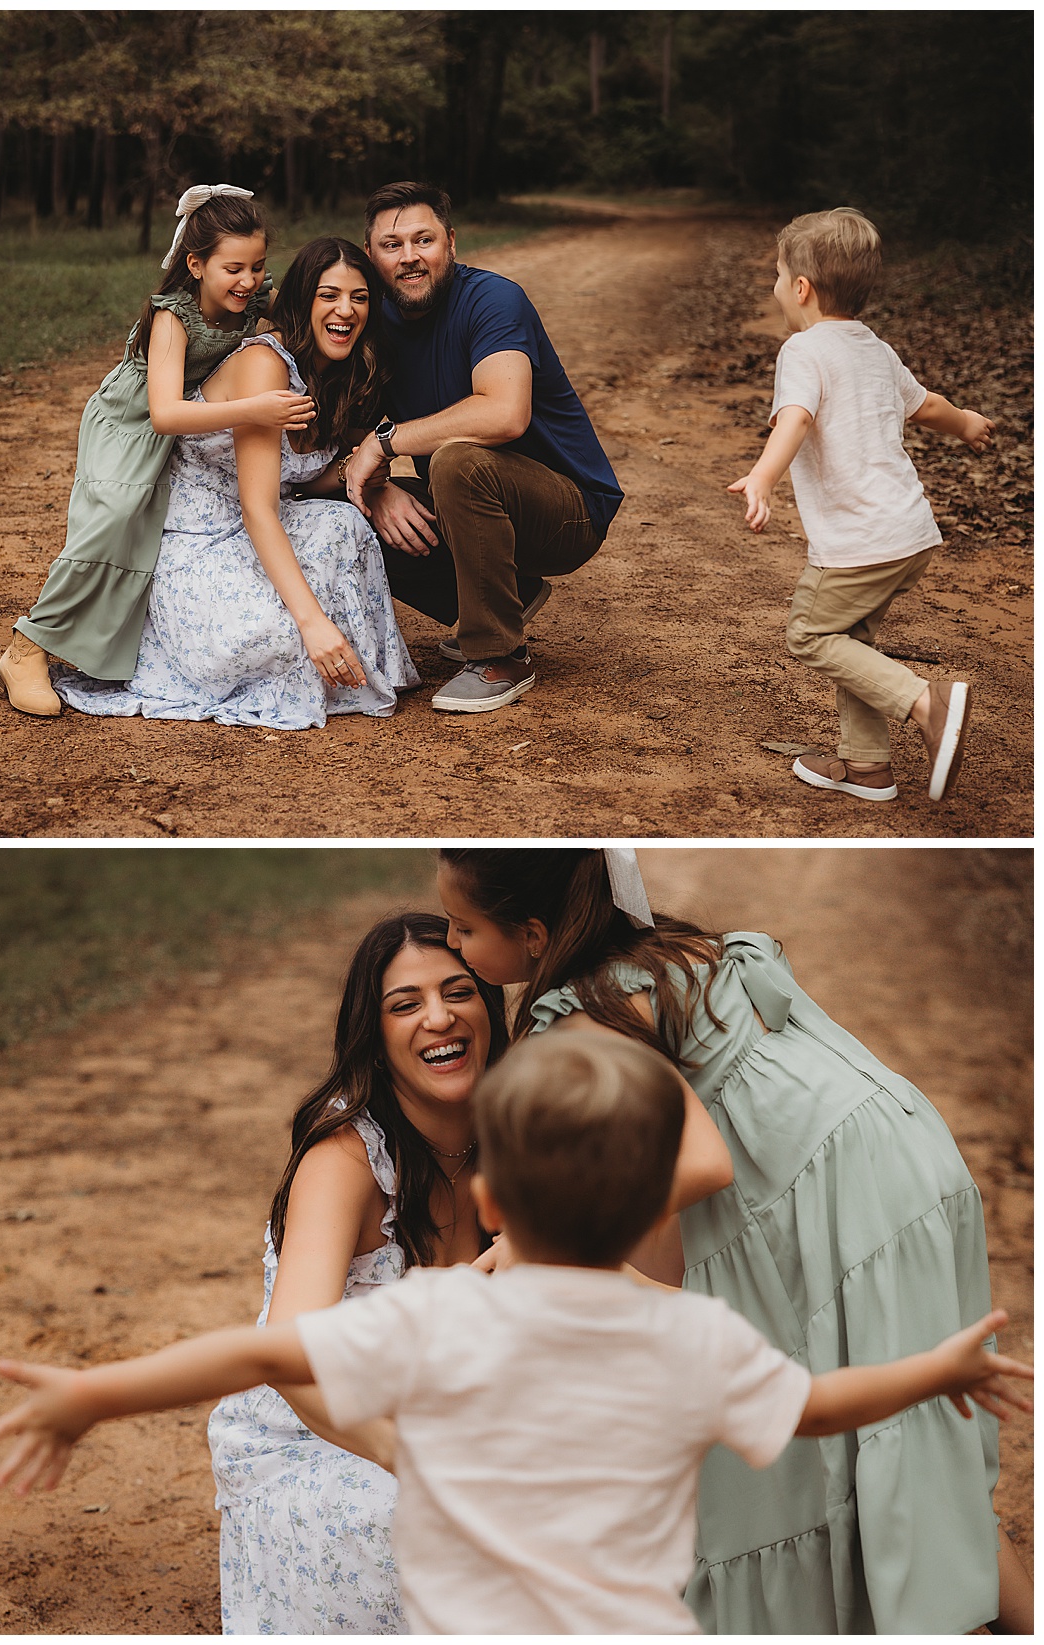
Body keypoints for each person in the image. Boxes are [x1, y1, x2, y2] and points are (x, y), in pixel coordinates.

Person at [0, 1032, 1032, 1636]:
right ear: (642, 1217)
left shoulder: (445, 1316)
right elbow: (817, 1406)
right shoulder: (686, 1331)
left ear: (489, 1203)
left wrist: (96, 1393)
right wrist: (929, 1367)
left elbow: (256, 1353)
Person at [435, 846, 1033, 1634]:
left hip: (846, 1199)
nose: (452, 941)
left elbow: (702, 1162)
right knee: (918, 1453)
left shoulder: (582, 1019)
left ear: (535, 933)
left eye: (465, 927)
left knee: (896, 1467)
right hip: (904, 1149)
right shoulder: (663, 950)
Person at [204, 910, 506, 1632]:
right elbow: (289, 1356)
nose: (439, 1017)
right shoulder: (344, 1158)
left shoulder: (517, 1134)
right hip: (320, 1439)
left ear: (490, 1006)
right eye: (406, 1003)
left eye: (458, 991)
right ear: (376, 1033)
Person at [51, 238, 418, 729]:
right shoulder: (265, 366)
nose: (345, 311)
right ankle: (307, 646)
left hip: (251, 535)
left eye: (359, 298)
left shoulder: (341, 371)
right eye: (328, 295)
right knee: (276, 637)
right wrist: (312, 625)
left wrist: (367, 473)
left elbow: (310, 477)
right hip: (198, 547)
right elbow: (259, 509)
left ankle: (327, 654)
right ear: (304, 299)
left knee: (343, 524)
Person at [0, 184, 315, 716]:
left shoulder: (254, 300)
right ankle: (26, 648)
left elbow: (306, 317)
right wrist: (256, 408)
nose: (249, 281)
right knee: (115, 518)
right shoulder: (173, 315)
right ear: (195, 264)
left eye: (258, 266)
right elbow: (164, 412)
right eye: (233, 268)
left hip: (184, 421)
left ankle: (107, 646)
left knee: (150, 533)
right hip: (130, 420)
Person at [728, 207, 996, 804]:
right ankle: (867, 765)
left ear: (801, 288)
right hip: (909, 534)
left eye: (776, 275)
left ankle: (929, 704)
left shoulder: (803, 351)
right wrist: (967, 424)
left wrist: (762, 477)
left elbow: (794, 419)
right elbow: (926, 406)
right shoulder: (875, 349)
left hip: (858, 544)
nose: (773, 287)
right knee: (852, 640)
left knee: (810, 633)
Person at [341, 180, 624, 714]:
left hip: (567, 511)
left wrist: (385, 443)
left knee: (458, 461)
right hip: (468, 513)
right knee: (341, 504)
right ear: (371, 256)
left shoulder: (493, 299)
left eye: (422, 241)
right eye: (391, 245)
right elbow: (336, 437)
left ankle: (501, 654)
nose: (409, 258)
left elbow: (504, 413)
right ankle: (506, 593)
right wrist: (376, 491)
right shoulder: (374, 319)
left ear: (451, 243)